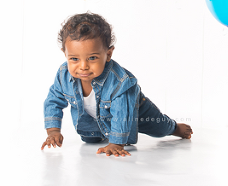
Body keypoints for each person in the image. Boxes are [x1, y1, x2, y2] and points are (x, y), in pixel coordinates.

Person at [41, 12, 193, 157]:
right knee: (91, 138)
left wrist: (116, 142)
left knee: (159, 127)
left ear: (108, 54)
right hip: (95, 120)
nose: (83, 66)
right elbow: (53, 100)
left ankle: (175, 128)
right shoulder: (63, 74)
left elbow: (123, 113)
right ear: (65, 54)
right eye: (74, 59)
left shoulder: (120, 82)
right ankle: (102, 132)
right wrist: (53, 131)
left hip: (135, 112)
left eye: (92, 58)